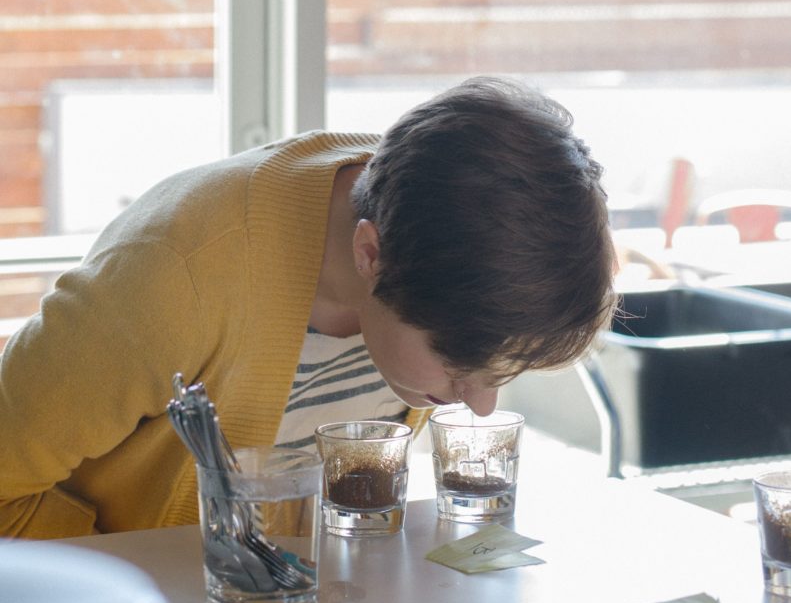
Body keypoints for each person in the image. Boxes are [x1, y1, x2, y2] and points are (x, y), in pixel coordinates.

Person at [0, 76, 617, 539]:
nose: (482, 404)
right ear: (370, 255)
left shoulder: (445, 221)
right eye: (459, 368)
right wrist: (154, 583)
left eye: (500, 375)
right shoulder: (174, 274)